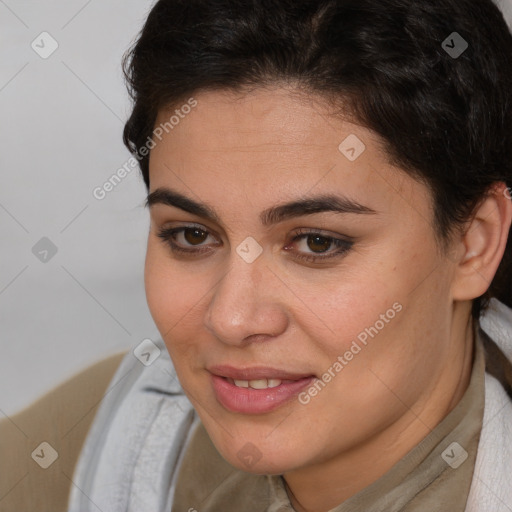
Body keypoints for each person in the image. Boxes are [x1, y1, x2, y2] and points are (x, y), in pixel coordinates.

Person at [1, 0, 512, 511]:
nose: (231, 319)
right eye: (192, 236)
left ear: (474, 242)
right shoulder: (93, 450)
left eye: (317, 242)